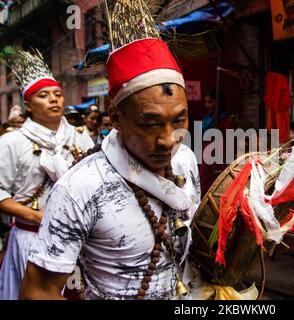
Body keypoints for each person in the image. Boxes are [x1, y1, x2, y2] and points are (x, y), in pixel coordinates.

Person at [21, 0, 201, 300]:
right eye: (150, 123)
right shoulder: (79, 188)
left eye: (179, 120)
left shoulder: (185, 160)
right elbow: (37, 291)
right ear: (115, 118)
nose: (168, 140)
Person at [0, 48, 94, 300]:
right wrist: (33, 214)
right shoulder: (12, 142)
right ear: (28, 105)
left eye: (58, 94)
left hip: (78, 240)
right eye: (44, 95)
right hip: (30, 238)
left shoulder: (80, 137)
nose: (53, 100)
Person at [199, 89, 234, 196]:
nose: (207, 105)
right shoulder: (208, 118)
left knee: (214, 187)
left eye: (210, 102)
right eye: (205, 102)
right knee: (203, 184)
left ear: (218, 102)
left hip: (216, 160)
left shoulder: (225, 119)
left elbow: (230, 141)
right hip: (205, 158)